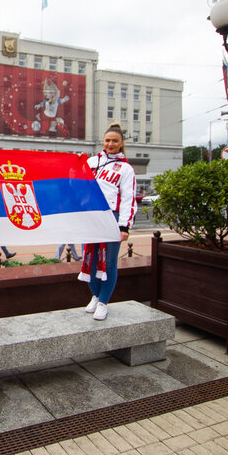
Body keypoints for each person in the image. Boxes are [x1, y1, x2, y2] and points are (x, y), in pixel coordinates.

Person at [79, 122, 136, 320]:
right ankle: (95, 295)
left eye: (115, 141)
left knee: (109, 263)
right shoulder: (91, 162)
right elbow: (78, 184)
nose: (110, 144)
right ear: (102, 142)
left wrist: (124, 226)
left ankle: (103, 302)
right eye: (107, 140)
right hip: (89, 216)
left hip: (111, 217)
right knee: (89, 259)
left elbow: (128, 198)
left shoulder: (126, 169)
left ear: (121, 144)